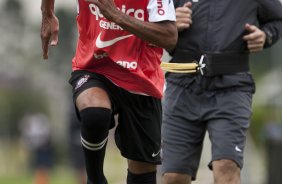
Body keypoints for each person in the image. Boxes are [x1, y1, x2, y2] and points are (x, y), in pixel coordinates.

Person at [40, 0, 178, 183]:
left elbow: (169, 37)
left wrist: (117, 16)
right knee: (94, 113)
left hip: (142, 78)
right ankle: (95, 178)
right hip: (95, 66)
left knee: (143, 174)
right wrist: (47, 13)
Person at [161, 0, 282, 184]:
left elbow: (278, 19)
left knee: (226, 167)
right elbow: (149, 25)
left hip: (232, 87)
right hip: (182, 86)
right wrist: (169, 25)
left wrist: (265, 36)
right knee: (173, 176)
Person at [19, 113, 54, 184]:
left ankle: (42, 181)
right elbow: (29, 143)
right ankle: (40, 180)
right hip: (38, 150)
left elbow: (45, 136)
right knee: (40, 167)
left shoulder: (37, 126)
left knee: (43, 167)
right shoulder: (28, 131)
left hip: (45, 149)